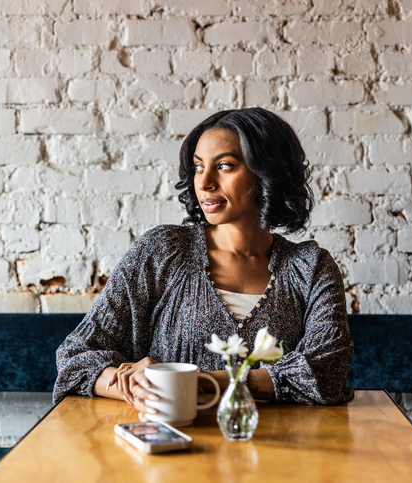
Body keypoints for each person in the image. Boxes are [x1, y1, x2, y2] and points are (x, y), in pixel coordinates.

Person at [53, 108, 353, 418]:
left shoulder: (310, 268)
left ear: (267, 174)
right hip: (170, 448)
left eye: (224, 166)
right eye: (198, 167)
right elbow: (76, 357)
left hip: (277, 452)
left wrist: (197, 383)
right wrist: (135, 386)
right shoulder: (162, 252)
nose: (205, 182)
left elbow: (326, 371)